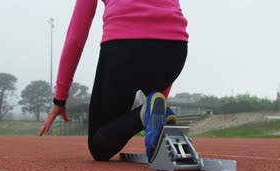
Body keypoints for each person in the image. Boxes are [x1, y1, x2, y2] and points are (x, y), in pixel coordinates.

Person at [39, 0, 189, 162]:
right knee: (153, 92)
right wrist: (160, 101)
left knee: (99, 147)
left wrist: (60, 98)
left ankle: (144, 114)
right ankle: (148, 114)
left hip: (123, 48)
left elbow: (75, 37)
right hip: (176, 49)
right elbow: (165, 19)